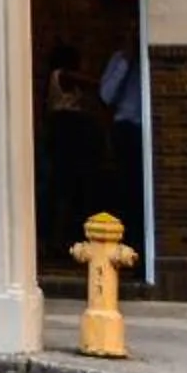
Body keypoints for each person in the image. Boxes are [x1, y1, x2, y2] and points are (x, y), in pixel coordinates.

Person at [38, 42, 97, 256]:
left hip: (63, 127)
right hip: (65, 128)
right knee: (62, 184)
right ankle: (57, 239)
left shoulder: (54, 78)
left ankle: (59, 237)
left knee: (65, 185)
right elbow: (90, 83)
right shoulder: (62, 75)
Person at [97, 27, 146, 236]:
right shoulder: (119, 59)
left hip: (145, 128)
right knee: (127, 187)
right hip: (126, 128)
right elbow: (106, 95)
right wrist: (126, 60)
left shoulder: (149, 61)